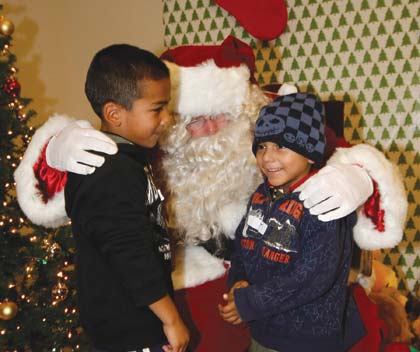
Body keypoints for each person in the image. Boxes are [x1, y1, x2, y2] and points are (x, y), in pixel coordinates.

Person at [15, 36, 407, 351]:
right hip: (163, 301)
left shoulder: (283, 130)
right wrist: (55, 149)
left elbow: (320, 262)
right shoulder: (133, 152)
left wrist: (357, 177)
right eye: (190, 120)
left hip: (285, 320)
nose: (201, 131)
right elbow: (72, 209)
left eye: (215, 118)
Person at [61, 44, 189, 352]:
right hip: (130, 329)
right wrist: (171, 319)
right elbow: (129, 253)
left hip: (138, 320)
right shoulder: (111, 170)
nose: (166, 119)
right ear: (114, 114)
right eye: (157, 109)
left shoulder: (126, 161)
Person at [219, 92, 366, 352]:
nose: (267, 157)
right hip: (264, 332)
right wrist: (239, 281)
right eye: (262, 146)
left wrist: (249, 302)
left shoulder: (324, 202)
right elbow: (242, 247)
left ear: (310, 153)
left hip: (308, 341)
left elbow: (312, 278)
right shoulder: (261, 195)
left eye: (280, 146)